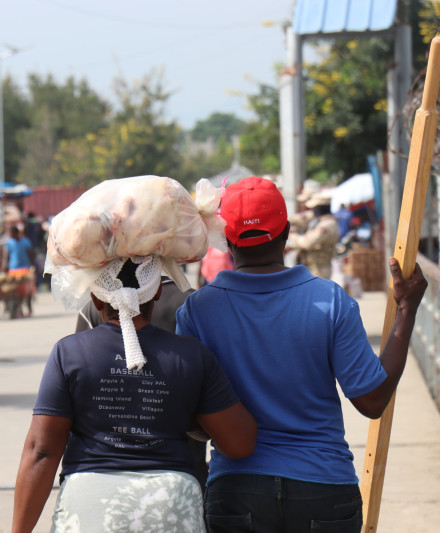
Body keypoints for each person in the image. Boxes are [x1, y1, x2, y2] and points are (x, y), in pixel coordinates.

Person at [175, 176, 427, 533]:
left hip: (237, 490)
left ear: (227, 239)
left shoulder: (197, 311)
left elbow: (192, 421)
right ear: (287, 232)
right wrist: (407, 310)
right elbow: (372, 401)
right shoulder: (330, 300)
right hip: (323, 488)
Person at [13, 256, 257, 533]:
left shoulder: (69, 353)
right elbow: (239, 444)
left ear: (95, 297)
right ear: (157, 292)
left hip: (89, 505)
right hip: (170, 506)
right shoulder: (192, 356)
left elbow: (42, 451)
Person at [74, 277, 212, 492]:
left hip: (106, 475)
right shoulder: (194, 302)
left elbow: (79, 399)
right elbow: (213, 406)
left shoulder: (95, 307)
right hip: (182, 476)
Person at [287, 191, 340, 279]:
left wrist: (291, 235)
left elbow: (308, 243)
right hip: (309, 267)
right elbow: (298, 219)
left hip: (319, 270)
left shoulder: (328, 225)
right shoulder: (319, 220)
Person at [2, 225, 36, 317]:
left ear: (17, 234)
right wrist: (4, 266)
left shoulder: (25, 242)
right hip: (13, 269)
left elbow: (31, 254)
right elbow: (7, 255)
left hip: (25, 269)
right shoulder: (9, 243)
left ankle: (29, 308)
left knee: (27, 291)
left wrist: (33, 266)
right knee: (16, 292)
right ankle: (18, 310)